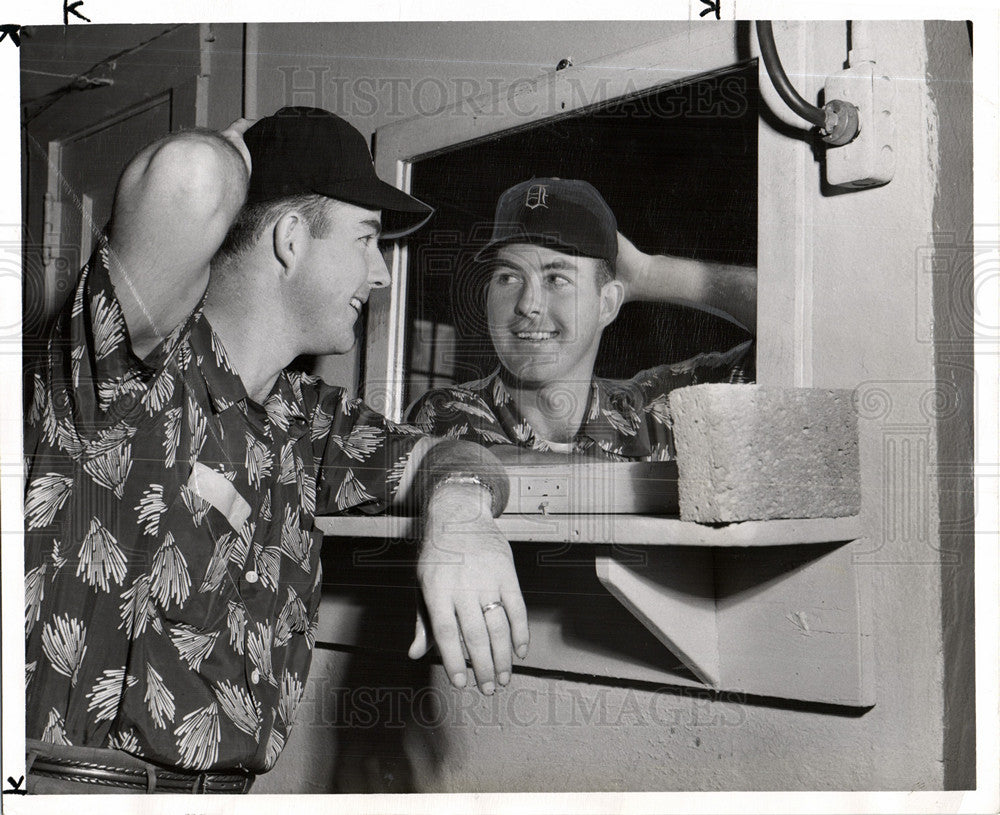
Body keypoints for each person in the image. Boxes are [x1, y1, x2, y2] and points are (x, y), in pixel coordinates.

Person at [22, 107, 528, 794]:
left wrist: (463, 512)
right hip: (74, 787)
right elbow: (189, 178)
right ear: (291, 238)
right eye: (367, 239)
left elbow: (452, 455)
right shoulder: (130, 364)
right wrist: (235, 155)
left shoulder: (306, 417)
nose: (380, 274)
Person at [408, 177, 756, 461]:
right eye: (508, 277)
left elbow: (794, 329)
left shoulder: (653, 413)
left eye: (556, 279)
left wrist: (650, 272)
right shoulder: (449, 412)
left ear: (607, 304)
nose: (527, 305)